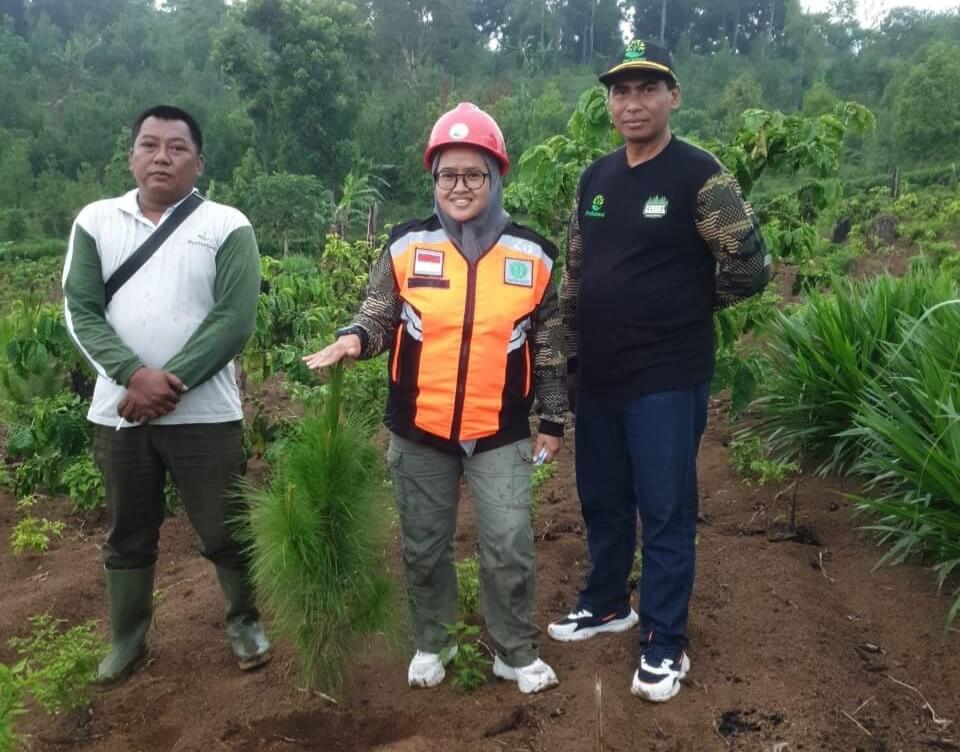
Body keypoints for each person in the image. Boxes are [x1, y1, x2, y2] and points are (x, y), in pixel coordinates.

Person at [303, 102, 566, 694]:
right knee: (424, 546)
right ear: (433, 179)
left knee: (508, 544)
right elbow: (379, 311)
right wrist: (354, 338)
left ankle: (515, 650)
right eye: (448, 174)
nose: (460, 186)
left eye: (474, 174)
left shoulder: (534, 255)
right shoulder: (406, 244)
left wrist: (552, 420)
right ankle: (433, 640)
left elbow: (549, 344)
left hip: (499, 427)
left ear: (496, 177)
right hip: (420, 427)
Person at [548, 41, 771, 702]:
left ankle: (665, 640)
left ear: (673, 95)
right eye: (621, 91)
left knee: (666, 508)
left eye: (647, 88)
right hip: (601, 376)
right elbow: (576, 275)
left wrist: (686, 305)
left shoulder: (700, 176)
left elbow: (751, 267)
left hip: (667, 377)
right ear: (609, 102)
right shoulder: (595, 179)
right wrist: (569, 356)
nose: (633, 103)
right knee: (602, 496)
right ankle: (607, 602)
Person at [63, 104, 270, 683]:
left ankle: (245, 621)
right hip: (120, 412)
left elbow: (234, 320)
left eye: (177, 148)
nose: (162, 157)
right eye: (149, 145)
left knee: (225, 525)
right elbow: (81, 311)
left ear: (198, 163)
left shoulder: (227, 225)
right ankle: (127, 640)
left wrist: (163, 384)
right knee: (128, 530)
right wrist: (132, 373)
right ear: (131, 156)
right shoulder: (96, 221)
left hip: (205, 415)